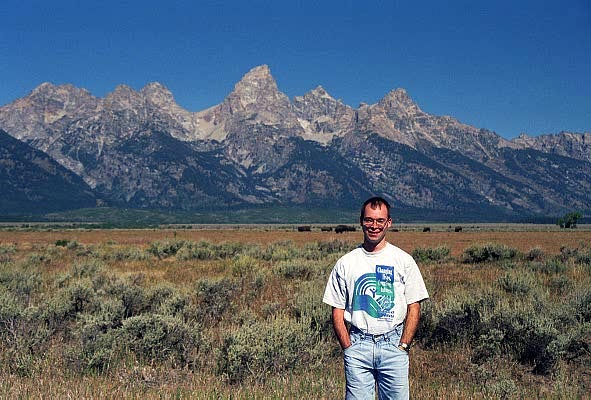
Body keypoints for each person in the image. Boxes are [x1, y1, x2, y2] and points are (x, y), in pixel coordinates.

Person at [323, 196, 429, 399]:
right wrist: (348, 348)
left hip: (393, 344)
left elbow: (414, 306)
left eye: (380, 221)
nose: (374, 226)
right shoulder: (346, 263)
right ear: (361, 221)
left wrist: (403, 346)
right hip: (358, 345)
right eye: (369, 220)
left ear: (389, 223)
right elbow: (337, 310)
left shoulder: (403, 260)